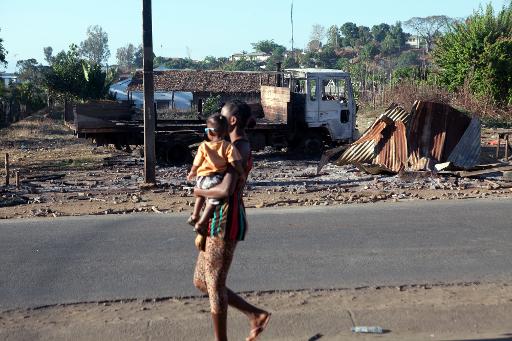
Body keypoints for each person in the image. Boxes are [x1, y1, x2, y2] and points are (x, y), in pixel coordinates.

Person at [193, 100, 271, 341]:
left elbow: (225, 190)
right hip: (215, 218)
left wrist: (199, 192)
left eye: (222, 115)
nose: (218, 117)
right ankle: (255, 315)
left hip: (226, 219)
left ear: (233, 120)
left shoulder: (238, 147)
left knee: (214, 283)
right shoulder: (227, 145)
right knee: (201, 281)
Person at [187, 113, 245, 244]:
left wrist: (192, 172)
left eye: (206, 130)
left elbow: (197, 161)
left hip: (201, 178)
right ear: (225, 132)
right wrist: (241, 173)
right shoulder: (227, 146)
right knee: (212, 201)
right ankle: (201, 222)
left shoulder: (203, 146)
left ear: (210, 132)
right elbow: (235, 162)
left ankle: (195, 215)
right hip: (214, 178)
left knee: (200, 196)